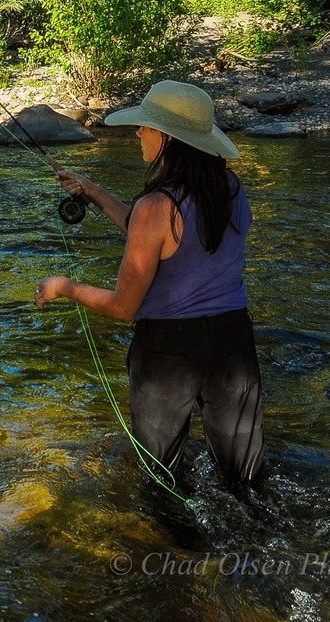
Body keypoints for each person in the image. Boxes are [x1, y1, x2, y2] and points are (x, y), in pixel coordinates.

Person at [34, 79, 264, 487]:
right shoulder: (229, 189)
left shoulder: (156, 206)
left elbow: (125, 307)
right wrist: (94, 192)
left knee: (160, 478)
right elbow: (166, 239)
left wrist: (64, 287)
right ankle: (263, 543)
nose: (138, 132)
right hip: (234, 342)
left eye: (146, 126)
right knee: (245, 477)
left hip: (167, 352)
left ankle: (172, 549)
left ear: (169, 138)